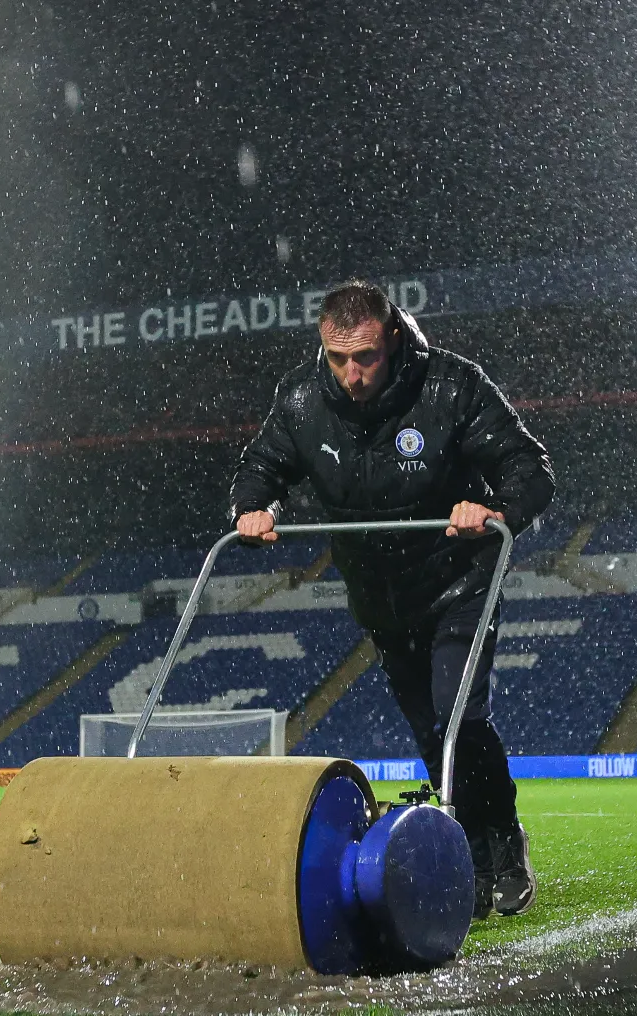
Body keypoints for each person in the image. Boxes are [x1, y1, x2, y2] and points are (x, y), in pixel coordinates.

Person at [231, 279, 555, 917]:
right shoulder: (301, 403)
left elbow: (532, 469)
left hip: (460, 583)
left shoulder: (452, 387)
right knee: (430, 733)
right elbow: (262, 465)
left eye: (366, 358)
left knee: (458, 714)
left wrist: (493, 508)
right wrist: (253, 509)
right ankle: (467, 849)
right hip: (382, 602)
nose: (351, 374)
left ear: (395, 340)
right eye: (337, 359)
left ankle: (504, 846)